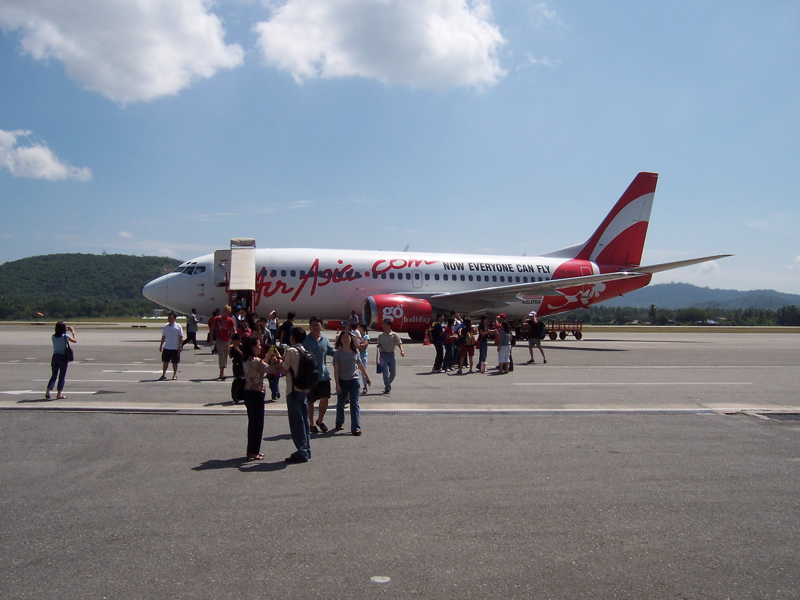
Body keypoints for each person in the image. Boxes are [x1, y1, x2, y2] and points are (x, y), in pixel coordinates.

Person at [280, 326, 313, 464]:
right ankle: (307, 448)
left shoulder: (291, 351)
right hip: (303, 390)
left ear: (292, 338)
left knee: (296, 422)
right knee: (304, 421)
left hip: (293, 390)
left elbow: (283, 370)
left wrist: (279, 360)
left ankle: (301, 451)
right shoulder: (304, 351)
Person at [332, 330, 371, 435]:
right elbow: (336, 370)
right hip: (342, 381)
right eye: (343, 337)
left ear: (350, 339)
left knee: (354, 404)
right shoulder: (338, 354)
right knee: (340, 404)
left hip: (354, 381)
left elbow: (360, 365)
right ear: (340, 340)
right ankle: (339, 422)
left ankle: (356, 427)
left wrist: (367, 377)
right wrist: (337, 385)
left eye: (347, 337)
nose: (346, 339)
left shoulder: (355, 352)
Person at [241, 335, 272, 461]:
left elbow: (261, 364)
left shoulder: (248, 359)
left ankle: (252, 450)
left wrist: (269, 355)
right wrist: (281, 361)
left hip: (248, 392)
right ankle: (254, 451)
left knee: (252, 422)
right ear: (252, 347)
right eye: (258, 344)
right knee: (258, 424)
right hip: (257, 392)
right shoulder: (256, 361)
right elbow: (269, 368)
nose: (260, 346)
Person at [303, 316, 335, 433]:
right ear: (310, 327)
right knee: (310, 401)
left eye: (318, 325)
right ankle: (311, 423)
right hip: (310, 375)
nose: (316, 327)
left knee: (325, 398)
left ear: (321, 326)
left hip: (323, 374)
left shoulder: (325, 340)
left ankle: (320, 420)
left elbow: (331, 351)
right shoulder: (305, 340)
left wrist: (344, 352)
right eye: (313, 325)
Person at [46, 321, 76, 399]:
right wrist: (72, 332)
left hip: (55, 356)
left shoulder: (53, 336)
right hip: (63, 357)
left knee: (53, 375)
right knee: (61, 376)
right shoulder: (65, 336)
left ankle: (48, 391)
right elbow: (75, 340)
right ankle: (59, 394)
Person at [377, 318, 404, 394]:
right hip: (383, 355)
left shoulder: (394, 335)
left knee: (393, 373)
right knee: (385, 373)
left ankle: (387, 384)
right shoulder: (381, 335)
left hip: (392, 355)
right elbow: (379, 344)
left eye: (384, 325)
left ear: (389, 325)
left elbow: (399, 343)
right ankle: (388, 388)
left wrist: (402, 350)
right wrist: (379, 346)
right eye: (383, 325)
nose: (383, 326)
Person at [159, 311, 183, 380]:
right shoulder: (165, 326)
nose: (169, 319)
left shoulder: (178, 326)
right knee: (165, 362)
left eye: (171, 318)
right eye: (168, 318)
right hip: (167, 347)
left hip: (175, 347)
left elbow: (180, 336)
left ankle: (175, 374)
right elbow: (163, 336)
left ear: (174, 319)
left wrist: (180, 346)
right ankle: (163, 374)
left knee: (175, 362)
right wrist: (161, 345)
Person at [214, 305, 237, 380]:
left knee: (225, 355)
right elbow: (212, 329)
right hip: (219, 339)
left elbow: (233, 330)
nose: (226, 313)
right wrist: (211, 340)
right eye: (226, 311)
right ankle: (221, 372)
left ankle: (222, 370)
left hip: (227, 340)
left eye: (228, 312)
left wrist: (237, 338)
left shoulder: (230, 320)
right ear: (223, 311)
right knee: (221, 355)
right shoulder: (218, 319)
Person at [229, 333, 245, 403]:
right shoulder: (232, 347)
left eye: (236, 341)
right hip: (236, 364)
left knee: (243, 379)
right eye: (234, 341)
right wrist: (229, 350)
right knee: (236, 380)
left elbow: (244, 355)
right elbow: (231, 356)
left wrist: (238, 349)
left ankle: (242, 396)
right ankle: (235, 396)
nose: (235, 343)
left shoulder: (242, 346)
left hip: (242, 364)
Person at [356, 323, 370, 394]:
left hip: (363, 355)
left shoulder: (366, 336)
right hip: (356, 355)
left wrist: (357, 345)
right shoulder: (357, 335)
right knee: (355, 371)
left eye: (359, 326)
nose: (358, 327)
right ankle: (355, 386)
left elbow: (364, 345)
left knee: (363, 371)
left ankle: (365, 386)